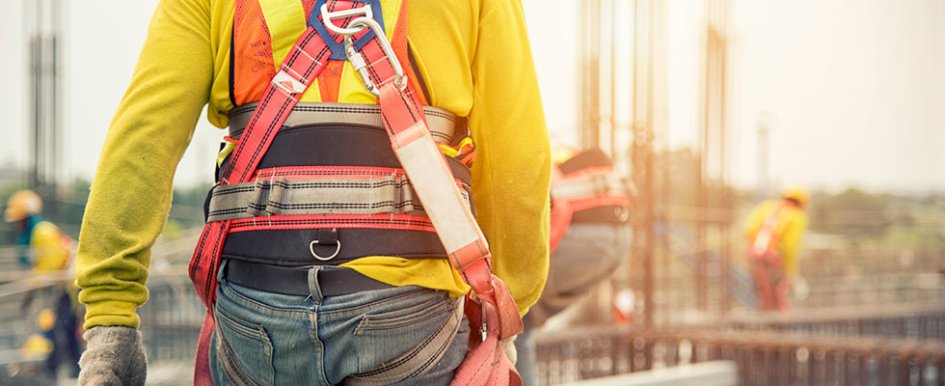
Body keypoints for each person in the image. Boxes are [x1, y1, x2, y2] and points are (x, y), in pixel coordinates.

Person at [75, 0, 550, 385]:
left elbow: (144, 138)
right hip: (408, 312)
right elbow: (518, 156)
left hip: (255, 312)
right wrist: (509, 307)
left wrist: (110, 315)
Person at [514, 147, 633, 386]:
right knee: (519, 325)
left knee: (511, 325)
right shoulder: (556, 151)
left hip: (575, 231)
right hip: (621, 236)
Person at [5, 189, 82, 379]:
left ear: (26, 219)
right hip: (66, 287)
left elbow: (49, 270)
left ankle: (63, 371)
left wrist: (30, 292)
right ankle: (65, 370)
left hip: (71, 286)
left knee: (61, 328)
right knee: (62, 328)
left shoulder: (43, 232)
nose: (17, 225)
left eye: (19, 220)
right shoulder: (39, 233)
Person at [744, 186, 809, 312]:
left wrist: (751, 250)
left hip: (756, 255)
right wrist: (790, 270)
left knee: (764, 291)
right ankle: (779, 323)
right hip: (776, 259)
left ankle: (767, 320)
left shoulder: (766, 207)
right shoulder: (797, 216)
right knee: (780, 292)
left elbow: (749, 230)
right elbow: (790, 246)